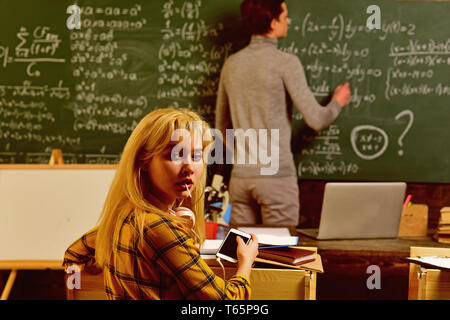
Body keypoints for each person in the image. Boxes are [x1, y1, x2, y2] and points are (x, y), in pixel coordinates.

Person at [63, 108, 259, 300]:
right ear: (144, 161)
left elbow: (73, 253)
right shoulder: (160, 229)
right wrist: (245, 263)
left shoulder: (126, 215)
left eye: (196, 156)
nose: (189, 167)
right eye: (175, 155)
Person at [215, 0, 351, 226]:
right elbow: (316, 119)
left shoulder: (231, 64)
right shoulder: (286, 63)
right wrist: (337, 102)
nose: (288, 20)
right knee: (280, 257)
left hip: (239, 180)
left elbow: (221, 129)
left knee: (239, 254)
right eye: (285, 15)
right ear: (272, 21)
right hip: (276, 179)